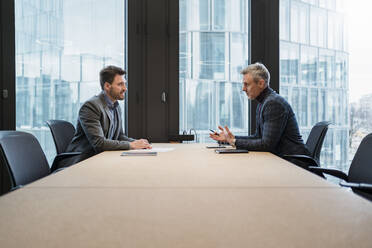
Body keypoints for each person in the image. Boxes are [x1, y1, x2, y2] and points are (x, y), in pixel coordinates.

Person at [210, 62, 311, 165]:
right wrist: (230, 139)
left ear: (261, 83)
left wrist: (234, 141)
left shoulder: (273, 103)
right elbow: (258, 137)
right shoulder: (264, 103)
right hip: (283, 161)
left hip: (296, 164)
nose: (243, 89)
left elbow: (266, 144)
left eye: (247, 84)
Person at [65, 65, 151, 165]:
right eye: (120, 84)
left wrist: (139, 143)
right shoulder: (91, 106)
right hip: (82, 160)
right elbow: (99, 143)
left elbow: (119, 136)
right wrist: (131, 145)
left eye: (125, 84)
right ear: (107, 86)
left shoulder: (116, 106)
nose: (125, 88)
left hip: (101, 158)